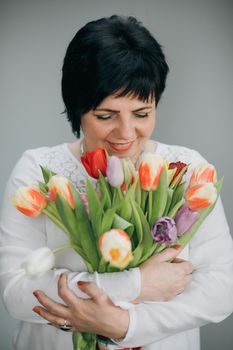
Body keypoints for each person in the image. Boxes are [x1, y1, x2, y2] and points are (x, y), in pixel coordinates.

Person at [0, 15, 233, 350]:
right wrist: (136, 284)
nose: (125, 134)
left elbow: (220, 291)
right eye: (105, 116)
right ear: (77, 109)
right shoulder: (39, 171)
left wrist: (125, 324)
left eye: (141, 114)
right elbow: (17, 292)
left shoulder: (187, 171)